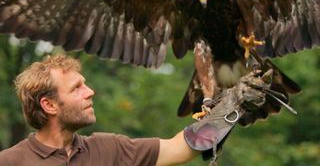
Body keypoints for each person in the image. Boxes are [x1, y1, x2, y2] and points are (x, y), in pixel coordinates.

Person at [0, 54, 203, 166]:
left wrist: (229, 109)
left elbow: (179, 149)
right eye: (76, 88)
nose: (90, 92)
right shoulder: (11, 161)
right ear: (49, 105)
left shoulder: (109, 149)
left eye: (85, 84)